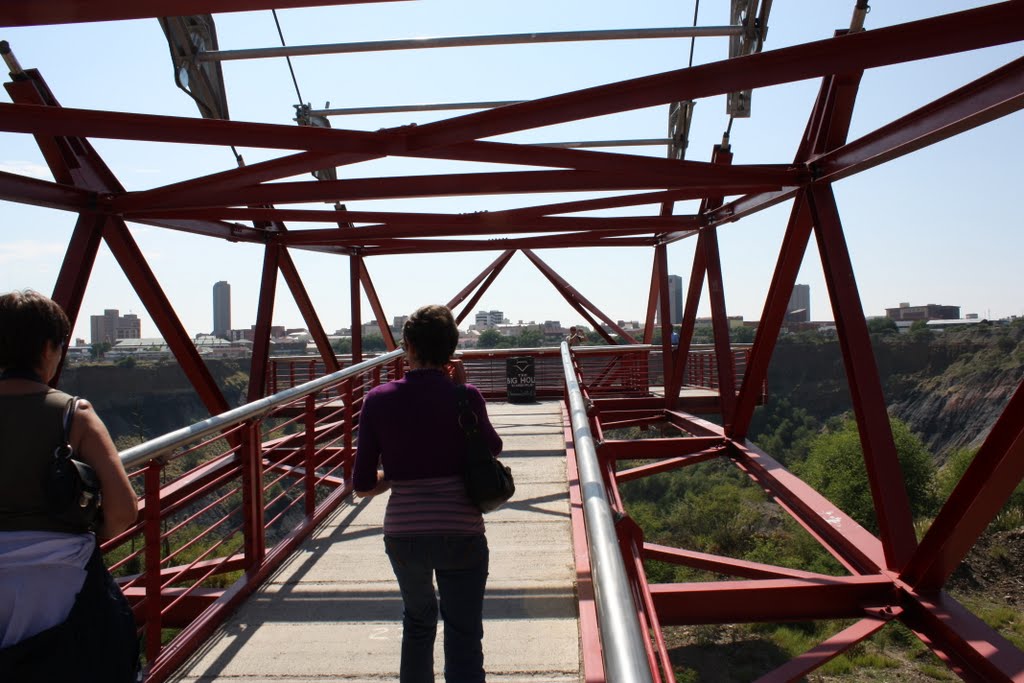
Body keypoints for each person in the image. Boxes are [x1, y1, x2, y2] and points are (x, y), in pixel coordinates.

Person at [354, 304, 502, 683]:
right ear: (450, 346)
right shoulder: (464, 396)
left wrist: (398, 476)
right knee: (463, 632)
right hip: (461, 532)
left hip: (405, 536)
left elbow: (363, 484)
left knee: (418, 624)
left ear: (408, 347)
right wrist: (461, 391)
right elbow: (493, 449)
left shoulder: (378, 399)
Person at [0, 289, 140, 681]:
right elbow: (123, 510)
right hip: (62, 584)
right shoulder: (73, 414)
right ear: (48, 347)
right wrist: (91, 538)